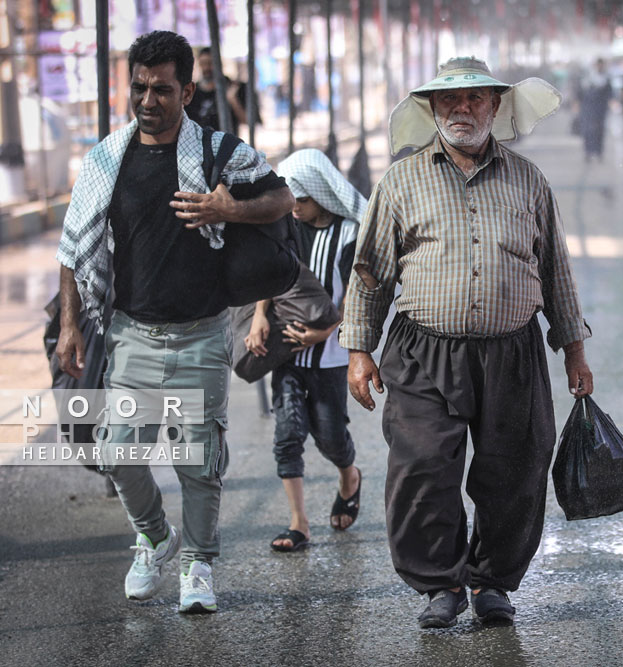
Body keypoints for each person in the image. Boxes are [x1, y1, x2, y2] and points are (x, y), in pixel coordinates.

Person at [340, 56, 594, 629]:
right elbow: (371, 271)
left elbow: (554, 268)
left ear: (495, 106)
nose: (463, 108)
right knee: (423, 467)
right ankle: (441, 584)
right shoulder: (402, 181)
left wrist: (574, 348)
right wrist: (359, 348)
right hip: (422, 351)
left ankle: (492, 583)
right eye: (450, 100)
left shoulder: (528, 179)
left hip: (514, 352)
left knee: (516, 470)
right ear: (431, 108)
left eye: (476, 98)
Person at [55, 30, 293, 613]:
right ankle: (157, 537)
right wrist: (68, 325)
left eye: (162, 89)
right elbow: (72, 244)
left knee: (199, 463)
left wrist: (227, 207)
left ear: (187, 90)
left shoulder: (220, 152)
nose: (147, 100)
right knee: (116, 453)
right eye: (139, 87)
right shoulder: (109, 158)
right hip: (131, 336)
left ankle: (198, 565)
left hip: (201, 336)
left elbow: (283, 200)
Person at [245, 149, 366, 552]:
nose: (294, 208)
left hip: (329, 355)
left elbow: (356, 295)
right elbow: (269, 273)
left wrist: (325, 332)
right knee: (288, 433)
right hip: (287, 353)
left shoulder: (349, 233)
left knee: (331, 436)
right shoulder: (285, 225)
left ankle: (349, 476)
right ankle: (299, 523)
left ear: (320, 194)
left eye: (302, 200)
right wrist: (261, 315)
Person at [185, 46, 248, 132]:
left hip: (227, 143)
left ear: (219, 64)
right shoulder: (193, 92)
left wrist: (233, 100)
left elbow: (246, 121)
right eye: (203, 64)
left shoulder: (233, 87)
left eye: (210, 63)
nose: (206, 68)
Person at [574, 58, 613, 162]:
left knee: (599, 130)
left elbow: (609, 93)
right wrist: (577, 103)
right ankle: (588, 151)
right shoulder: (587, 77)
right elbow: (580, 92)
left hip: (600, 108)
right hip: (587, 107)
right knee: (588, 130)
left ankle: (598, 151)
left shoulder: (606, 78)